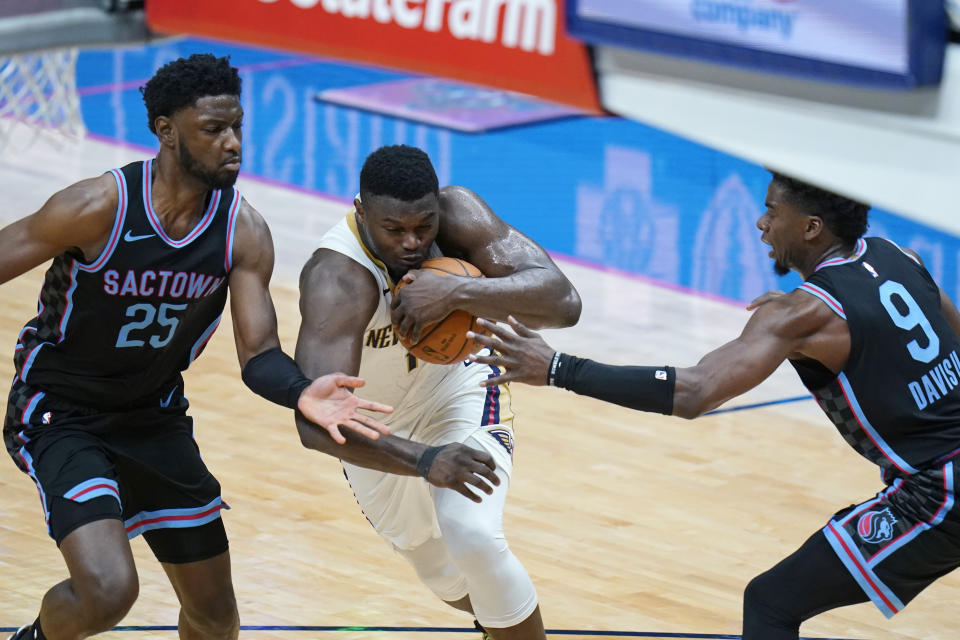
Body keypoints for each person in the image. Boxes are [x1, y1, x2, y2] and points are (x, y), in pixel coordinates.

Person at [467, 172, 960, 639]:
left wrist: (557, 368)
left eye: (772, 212)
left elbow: (695, 392)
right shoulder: (900, 256)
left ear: (811, 228)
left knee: (772, 602)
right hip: (941, 473)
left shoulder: (802, 314)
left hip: (941, 491)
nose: (761, 223)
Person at [1, 54, 392, 640]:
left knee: (214, 618)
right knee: (109, 591)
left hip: (153, 417)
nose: (232, 143)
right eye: (213, 130)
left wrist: (301, 391)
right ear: (165, 131)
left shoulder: (243, 231)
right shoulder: (97, 208)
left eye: (237, 126)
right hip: (61, 413)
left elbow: (258, 353)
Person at [294, 144, 582, 639]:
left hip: (459, 387)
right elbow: (316, 424)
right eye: (394, 229)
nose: (412, 242)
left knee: (472, 534)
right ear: (361, 211)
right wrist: (426, 459)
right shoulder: (338, 279)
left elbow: (563, 303)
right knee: (445, 577)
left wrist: (457, 291)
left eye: (423, 226)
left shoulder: (459, 215)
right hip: (376, 425)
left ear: (437, 207)